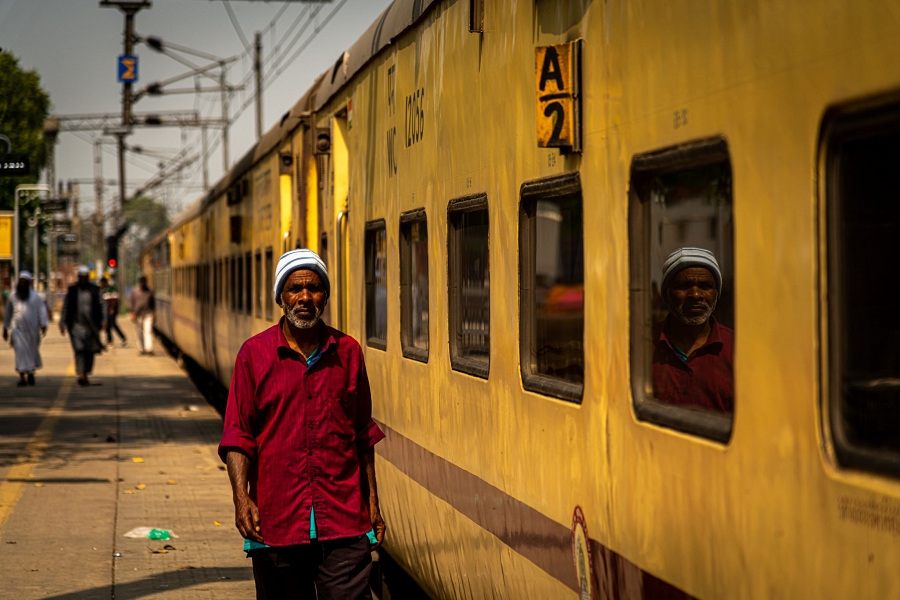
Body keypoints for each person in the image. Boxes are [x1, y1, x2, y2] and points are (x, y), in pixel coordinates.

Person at [219, 249, 386, 600]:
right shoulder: (254, 355)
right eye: (295, 288)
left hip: (343, 519)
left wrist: (372, 498)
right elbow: (238, 436)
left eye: (314, 288)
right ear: (281, 297)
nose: (305, 297)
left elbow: (362, 433)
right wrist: (240, 498)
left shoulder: (348, 352)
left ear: (325, 295)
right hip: (276, 521)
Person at [652, 247, 734, 412]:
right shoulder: (644, 346)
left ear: (716, 294)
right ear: (666, 295)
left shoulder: (736, 349)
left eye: (705, 286)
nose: (695, 295)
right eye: (684, 285)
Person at [61, 266, 106, 387]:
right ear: (78, 278)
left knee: (90, 351)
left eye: (85, 277)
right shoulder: (72, 291)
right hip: (75, 327)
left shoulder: (95, 290)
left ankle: (85, 373)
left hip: (91, 327)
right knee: (79, 349)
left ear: (87, 278)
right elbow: (65, 307)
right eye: (81, 277)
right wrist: (62, 323)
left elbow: (103, 305)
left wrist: (105, 320)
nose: (83, 280)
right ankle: (81, 374)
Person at [3, 271, 48, 387]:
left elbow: (42, 311)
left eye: (25, 282)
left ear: (29, 284)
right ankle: (22, 377)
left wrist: (43, 324)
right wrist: (5, 327)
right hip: (17, 330)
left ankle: (31, 373)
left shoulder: (35, 297)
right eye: (21, 282)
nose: (22, 284)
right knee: (19, 352)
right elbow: (8, 313)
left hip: (32, 331)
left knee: (31, 351)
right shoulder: (13, 296)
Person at [129, 276, 155, 355]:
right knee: (139, 332)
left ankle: (149, 349)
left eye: (144, 282)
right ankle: (141, 349)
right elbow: (131, 303)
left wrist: (154, 313)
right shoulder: (135, 291)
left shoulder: (150, 291)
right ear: (140, 282)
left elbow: (153, 303)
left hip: (148, 313)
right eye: (142, 282)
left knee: (148, 330)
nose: (143, 283)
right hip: (138, 314)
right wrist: (132, 313)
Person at [100, 277, 127, 348]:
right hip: (105, 311)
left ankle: (123, 338)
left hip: (112, 310)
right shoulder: (101, 291)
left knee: (113, 324)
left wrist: (112, 308)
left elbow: (115, 299)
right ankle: (109, 340)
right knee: (107, 325)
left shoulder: (111, 289)